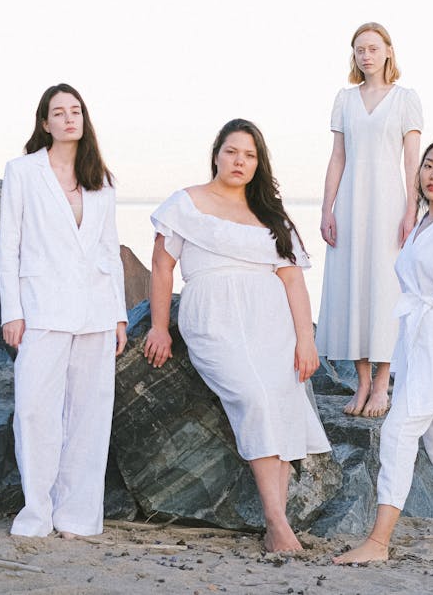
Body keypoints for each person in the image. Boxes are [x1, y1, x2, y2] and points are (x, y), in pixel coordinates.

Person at [143, 119, 330, 553]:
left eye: (249, 155)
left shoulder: (271, 217)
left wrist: (306, 339)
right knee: (254, 396)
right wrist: (157, 326)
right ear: (216, 154)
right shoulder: (185, 203)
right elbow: (161, 266)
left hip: (272, 322)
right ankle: (277, 521)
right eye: (232, 152)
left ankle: (276, 524)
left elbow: (294, 282)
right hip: (213, 317)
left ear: (258, 163)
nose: (239, 161)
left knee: (282, 403)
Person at [333, 136, 433, 563]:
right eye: (428, 166)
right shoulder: (425, 223)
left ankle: (378, 542)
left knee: (398, 431)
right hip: (419, 342)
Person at [0, 83, 127, 539]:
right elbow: (8, 243)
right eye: (59, 112)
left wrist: (119, 316)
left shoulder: (102, 179)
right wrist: (11, 311)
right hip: (41, 308)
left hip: (94, 310)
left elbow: (109, 250)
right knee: (34, 410)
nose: (69, 118)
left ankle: (77, 517)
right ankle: (37, 512)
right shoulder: (22, 171)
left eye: (76, 111)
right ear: (45, 122)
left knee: (90, 415)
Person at [318, 22, 424, 418]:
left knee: (384, 287)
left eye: (373, 49)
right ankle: (361, 383)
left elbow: (412, 161)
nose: (366, 56)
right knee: (353, 287)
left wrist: (411, 208)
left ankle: (383, 384)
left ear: (388, 52)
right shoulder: (345, 99)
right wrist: (327, 208)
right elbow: (337, 158)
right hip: (350, 202)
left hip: (388, 202)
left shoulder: (405, 99)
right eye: (360, 50)